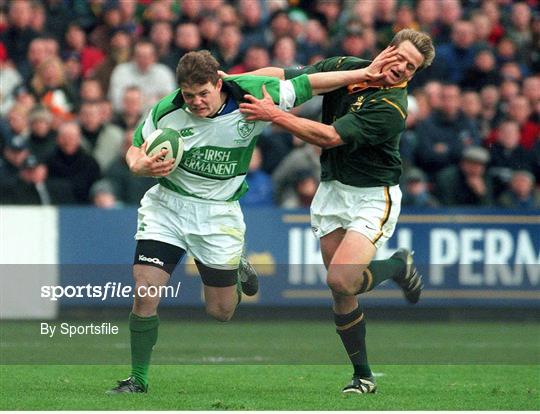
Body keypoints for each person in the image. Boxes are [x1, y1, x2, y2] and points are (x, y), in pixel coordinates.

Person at [108, 48, 401, 394]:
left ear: (219, 83)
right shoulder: (168, 109)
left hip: (217, 213)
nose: (197, 102)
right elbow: (135, 147)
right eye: (189, 95)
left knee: (221, 311)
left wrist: (366, 74)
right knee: (145, 290)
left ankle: (235, 268)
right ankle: (137, 380)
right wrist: (138, 165)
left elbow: (312, 83)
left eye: (204, 94)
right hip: (167, 206)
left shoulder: (252, 94)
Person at [237, 29, 435, 394]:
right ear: (388, 49)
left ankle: (396, 265)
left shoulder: (391, 108)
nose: (403, 68)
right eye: (401, 57)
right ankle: (363, 376)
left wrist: (273, 115)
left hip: (373, 197)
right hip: (331, 191)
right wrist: (231, 83)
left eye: (412, 67)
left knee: (340, 280)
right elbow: (285, 76)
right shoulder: (345, 67)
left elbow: (328, 137)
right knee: (343, 291)